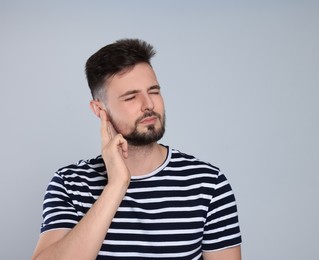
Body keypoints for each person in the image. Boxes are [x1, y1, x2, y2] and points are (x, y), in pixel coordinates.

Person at [32, 38, 242, 260]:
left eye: (153, 91)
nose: (148, 104)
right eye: (131, 97)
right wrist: (116, 185)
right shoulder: (70, 183)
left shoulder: (208, 183)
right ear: (99, 109)